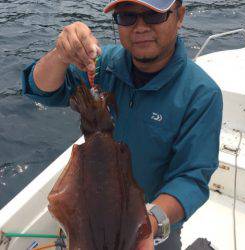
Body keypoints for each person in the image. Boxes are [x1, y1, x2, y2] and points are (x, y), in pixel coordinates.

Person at [22, 0, 223, 249]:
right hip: (89, 215)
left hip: (154, 224)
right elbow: (42, 90)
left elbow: (191, 177)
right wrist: (60, 55)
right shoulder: (101, 65)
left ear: (179, 16)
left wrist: (149, 224)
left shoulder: (201, 94)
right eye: (127, 17)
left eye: (153, 16)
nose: (140, 27)